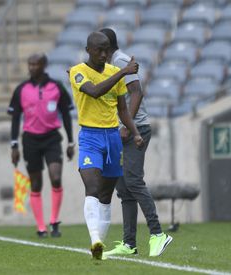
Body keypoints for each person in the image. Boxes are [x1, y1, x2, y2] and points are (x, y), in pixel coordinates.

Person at [69, 31, 144, 260]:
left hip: (112, 138)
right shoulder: (78, 72)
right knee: (91, 187)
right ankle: (95, 239)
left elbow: (122, 109)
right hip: (90, 137)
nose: (103, 54)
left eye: (106, 50)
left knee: (105, 195)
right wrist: (123, 71)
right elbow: (94, 91)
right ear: (88, 50)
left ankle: (98, 249)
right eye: (99, 50)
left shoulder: (113, 72)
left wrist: (135, 132)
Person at [99, 28, 173, 257]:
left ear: (106, 46)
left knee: (133, 180)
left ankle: (158, 233)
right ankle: (129, 243)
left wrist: (126, 126)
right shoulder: (110, 64)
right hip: (123, 131)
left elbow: (137, 92)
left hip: (135, 129)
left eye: (97, 46)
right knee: (123, 188)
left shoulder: (121, 60)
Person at [7, 53, 75, 237]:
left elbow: (66, 115)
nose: (31, 67)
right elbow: (15, 118)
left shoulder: (56, 87)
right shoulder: (21, 89)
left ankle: (54, 221)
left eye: (35, 64)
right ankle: (41, 227)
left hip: (52, 138)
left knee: (55, 178)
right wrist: (14, 146)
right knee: (36, 183)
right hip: (30, 140)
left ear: (44, 65)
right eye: (29, 64)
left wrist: (70, 141)